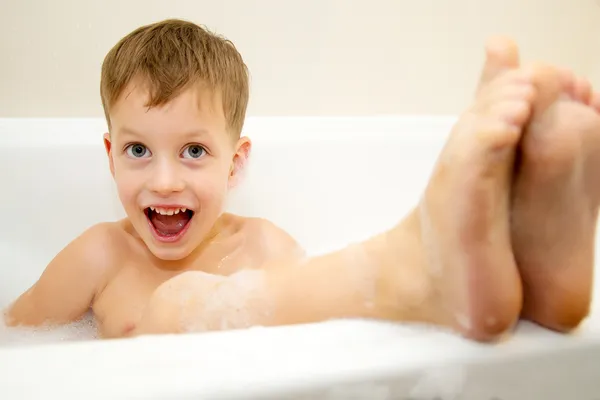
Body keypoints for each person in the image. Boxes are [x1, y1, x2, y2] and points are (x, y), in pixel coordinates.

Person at [4, 19, 599, 342]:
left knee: (187, 305)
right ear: (110, 155)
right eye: (138, 149)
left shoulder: (266, 247)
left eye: (193, 151)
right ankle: (412, 267)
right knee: (173, 308)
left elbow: (321, 349)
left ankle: (531, 286)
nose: (164, 181)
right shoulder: (96, 258)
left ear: (235, 163)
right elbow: (16, 343)